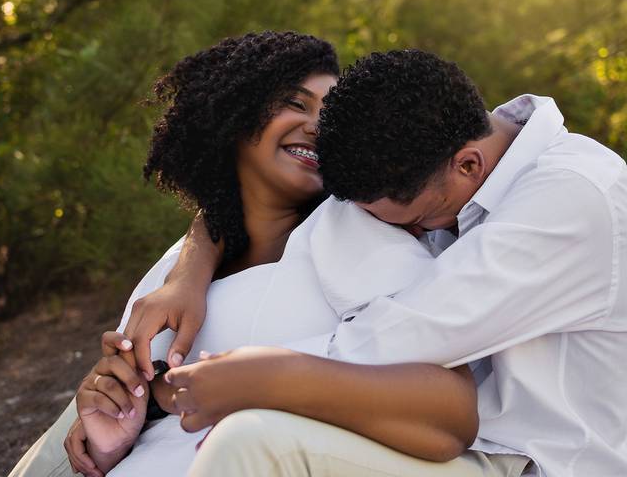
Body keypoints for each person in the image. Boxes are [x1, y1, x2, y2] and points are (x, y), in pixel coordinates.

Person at [7, 35, 479, 477]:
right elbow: (159, 423)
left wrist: (267, 383)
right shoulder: (176, 267)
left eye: (333, 116)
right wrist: (115, 436)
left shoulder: (351, 231)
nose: (318, 126)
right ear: (234, 112)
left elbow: (450, 410)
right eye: (296, 103)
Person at [154, 50, 626, 477]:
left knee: (257, 446)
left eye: (420, 220)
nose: (414, 237)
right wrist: (193, 264)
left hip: (535, 462)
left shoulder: (572, 197)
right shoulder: (432, 144)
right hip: (452, 442)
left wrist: (243, 373)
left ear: (468, 166)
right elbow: (259, 200)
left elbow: (405, 335)